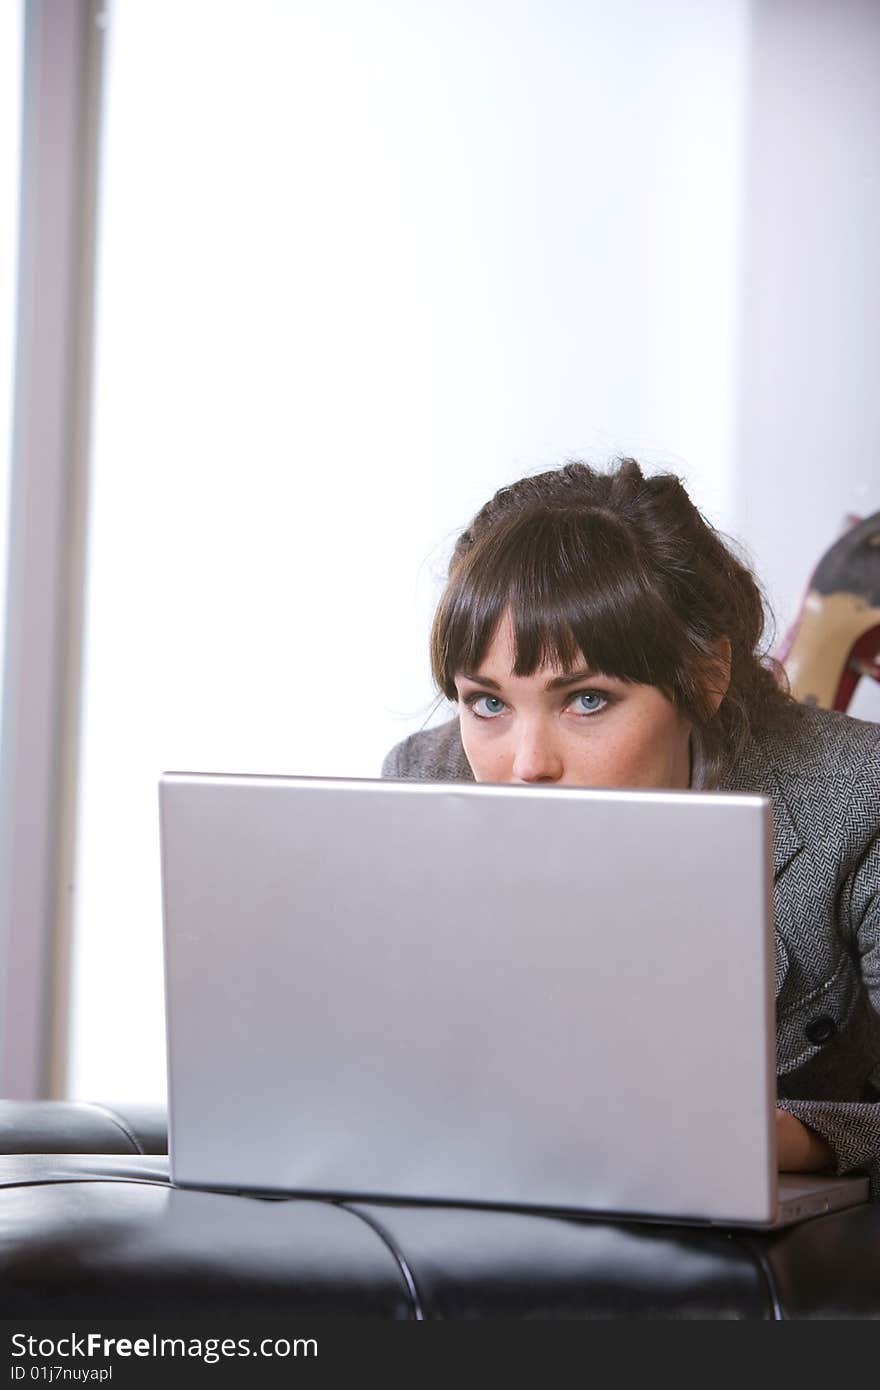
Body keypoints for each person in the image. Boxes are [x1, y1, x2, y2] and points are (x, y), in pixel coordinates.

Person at [382, 458, 880, 1199]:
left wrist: (788, 1138)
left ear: (706, 676)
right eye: (487, 703)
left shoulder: (857, 796)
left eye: (586, 700)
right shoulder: (424, 783)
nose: (525, 765)